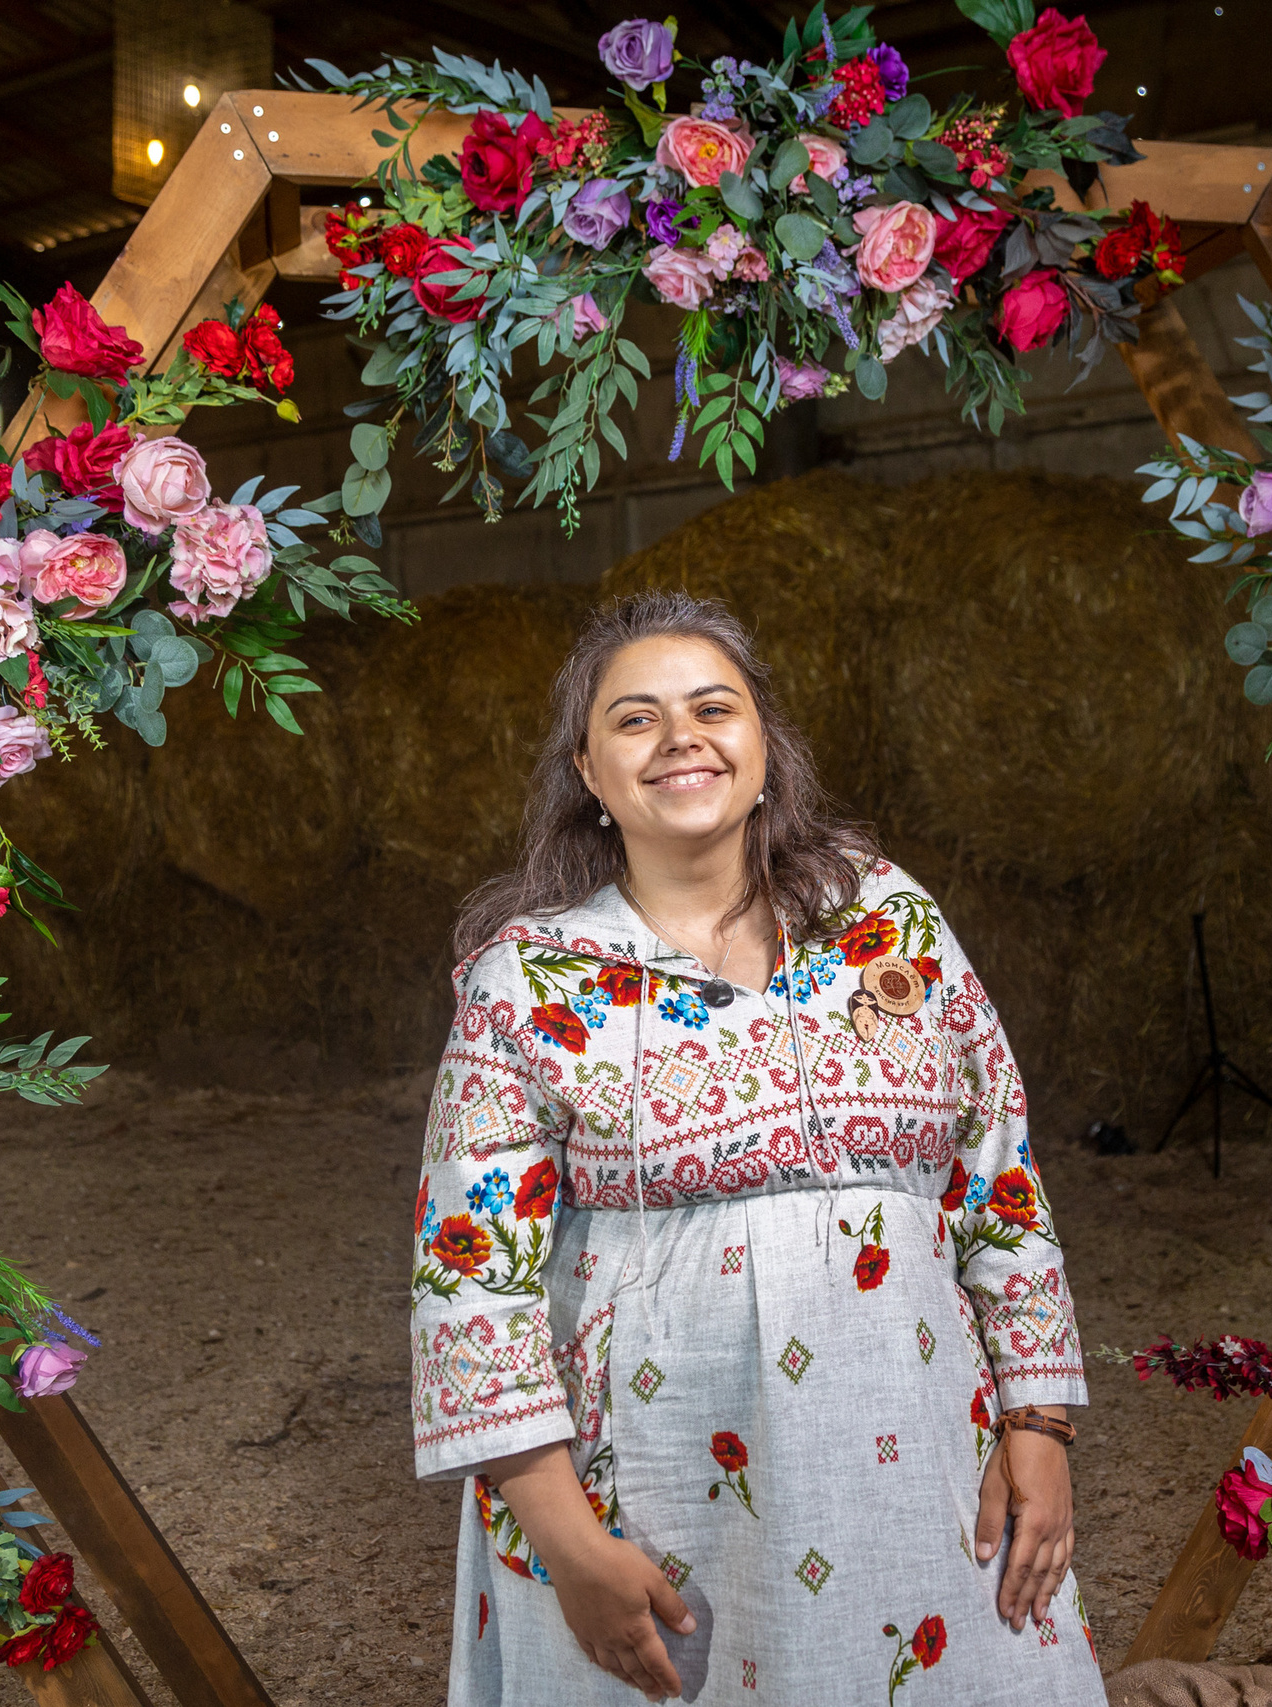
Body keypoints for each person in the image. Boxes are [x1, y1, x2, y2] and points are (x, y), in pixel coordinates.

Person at [413, 591, 1099, 1704]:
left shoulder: (889, 922)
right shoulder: (528, 979)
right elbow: (473, 1281)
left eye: (712, 708)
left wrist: (1041, 1425)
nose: (679, 737)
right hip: (645, 1492)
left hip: (918, 1454)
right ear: (589, 774)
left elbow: (999, 1176)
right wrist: (569, 1546)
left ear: (763, 746)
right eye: (635, 719)